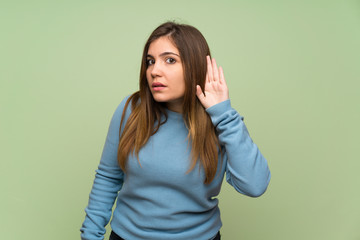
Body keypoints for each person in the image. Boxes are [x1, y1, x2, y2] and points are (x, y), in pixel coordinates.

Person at [80, 21, 271, 240]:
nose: (154, 71)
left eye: (170, 60)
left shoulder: (220, 121)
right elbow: (108, 176)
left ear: (195, 67)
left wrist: (224, 114)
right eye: (150, 62)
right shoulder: (131, 109)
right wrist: (90, 236)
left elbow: (255, 185)